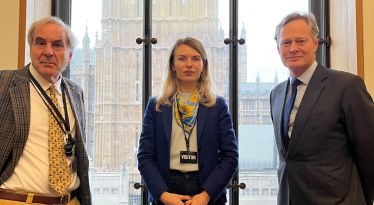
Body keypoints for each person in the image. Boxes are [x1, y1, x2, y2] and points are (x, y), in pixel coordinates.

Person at [270, 11, 374, 205]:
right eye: (286, 43)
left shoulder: (346, 86)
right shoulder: (275, 94)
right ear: (278, 49)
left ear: (315, 44)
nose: (293, 49)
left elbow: (369, 152)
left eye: (301, 41)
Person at [0, 16, 91, 205]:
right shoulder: (5, 83)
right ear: (31, 49)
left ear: (70, 54)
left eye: (57, 45)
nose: (48, 52)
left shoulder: (76, 92)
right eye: (40, 43)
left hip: (69, 200)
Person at [137, 37, 238, 205]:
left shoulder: (217, 105)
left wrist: (206, 195)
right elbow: (145, 156)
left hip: (207, 190)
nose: (189, 64)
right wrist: (162, 195)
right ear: (172, 65)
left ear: (203, 65)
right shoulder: (156, 106)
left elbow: (230, 156)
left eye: (195, 58)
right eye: (182, 58)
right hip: (168, 189)